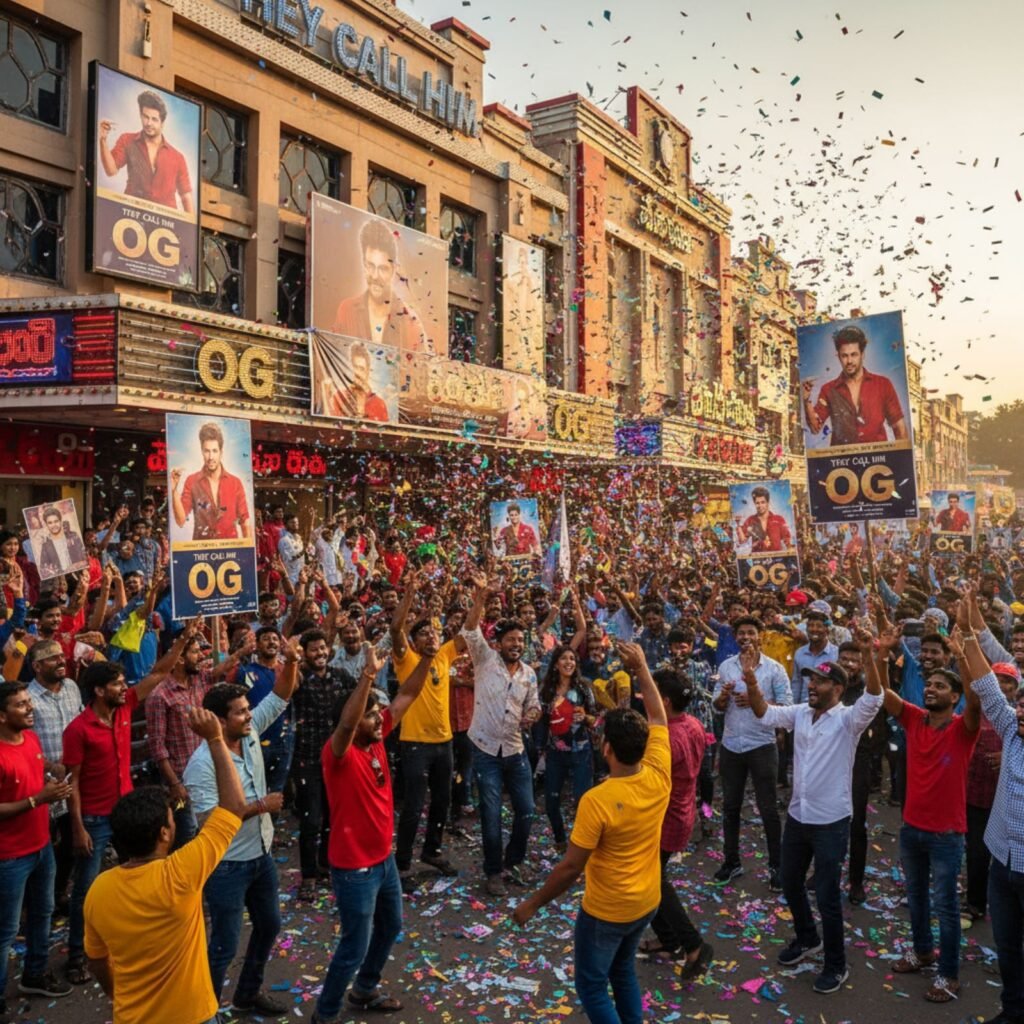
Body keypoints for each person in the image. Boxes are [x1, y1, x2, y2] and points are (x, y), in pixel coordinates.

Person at [512, 642, 670, 1024]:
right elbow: (658, 716)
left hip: (607, 911)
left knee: (592, 986)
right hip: (647, 901)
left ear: (606, 747)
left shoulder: (598, 801)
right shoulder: (658, 772)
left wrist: (533, 903)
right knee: (623, 971)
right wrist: (641, 668)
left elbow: (571, 868)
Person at [83, 706, 245, 1024]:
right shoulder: (182, 872)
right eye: (172, 819)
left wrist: (116, 995)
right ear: (164, 834)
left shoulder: (98, 890)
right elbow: (234, 807)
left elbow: (97, 961)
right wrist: (216, 739)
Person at [744, 633, 883, 995]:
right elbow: (764, 713)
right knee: (790, 882)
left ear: (837, 688)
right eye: (810, 679)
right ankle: (808, 937)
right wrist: (751, 681)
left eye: (819, 681)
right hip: (798, 817)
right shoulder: (801, 714)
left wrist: (868, 655)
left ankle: (836, 965)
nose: (811, 686)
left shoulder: (848, 720)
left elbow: (874, 697)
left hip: (831, 822)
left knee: (826, 896)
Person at [313, 645, 435, 1022]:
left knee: (390, 926)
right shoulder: (338, 753)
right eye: (370, 715)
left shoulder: (377, 738)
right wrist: (367, 676)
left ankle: (364, 989)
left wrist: (428, 658)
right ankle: (325, 1014)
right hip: (355, 869)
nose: (378, 719)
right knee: (354, 945)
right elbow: (347, 726)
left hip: (384, 862)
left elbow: (408, 693)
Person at [64, 635, 194, 983]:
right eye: (118, 684)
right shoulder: (78, 730)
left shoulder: (124, 709)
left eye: (125, 683)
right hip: (93, 819)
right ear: (99, 691)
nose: (125, 689)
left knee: (138, 879)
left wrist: (182, 641)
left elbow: (159, 673)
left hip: (126, 813)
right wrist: (78, 827)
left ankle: (135, 940)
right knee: (86, 889)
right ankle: (78, 955)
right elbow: (73, 782)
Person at [182, 635, 300, 1015]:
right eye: (240, 712)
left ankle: (247, 994)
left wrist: (291, 661)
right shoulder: (201, 765)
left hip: (260, 854)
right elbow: (209, 822)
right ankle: (205, 1013)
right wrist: (260, 806)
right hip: (227, 865)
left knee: (269, 926)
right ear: (219, 721)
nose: (250, 716)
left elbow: (279, 697)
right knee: (224, 947)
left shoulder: (248, 736)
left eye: (249, 709)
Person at [876, 612, 980, 1002]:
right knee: (917, 898)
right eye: (929, 684)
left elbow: (976, 700)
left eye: (940, 686)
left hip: (946, 835)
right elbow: (883, 695)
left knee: (946, 906)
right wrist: (882, 654)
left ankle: (948, 974)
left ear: (954, 697)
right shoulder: (915, 719)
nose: (931, 688)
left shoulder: (963, 729)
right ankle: (922, 952)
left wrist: (961, 656)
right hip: (911, 829)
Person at [957, 590, 1024, 1024]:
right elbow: (986, 684)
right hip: (1002, 860)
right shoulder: (1011, 731)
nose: (1019, 711)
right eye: (1020, 706)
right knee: (1008, 947)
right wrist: (967, 633)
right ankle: (1012, 1010)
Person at [461, 570, 541, 897]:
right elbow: (469, 630)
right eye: (511, 640)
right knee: (491, 814)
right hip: (485, 751)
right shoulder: (485, 660)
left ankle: (513, 861)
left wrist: (533, 715)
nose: (516, 645)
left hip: (515, 750)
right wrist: (482, 594)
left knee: (527, 810)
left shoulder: (529, 674)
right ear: (499, 643)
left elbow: (534, 705)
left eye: (520, 641)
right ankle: (493, 871)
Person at [0, 681, 74, 1014]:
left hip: (42, 846)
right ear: (2, 716)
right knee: (6, 930)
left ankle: (35, 973)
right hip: (9, 856)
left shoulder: (30, 738)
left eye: (29, 701)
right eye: (20, 704)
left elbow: (31, 778)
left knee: (43, 913)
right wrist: (37, 799)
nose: (30, 708)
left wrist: (50, 784)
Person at [637, 666, 714, 977]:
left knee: (654, 881)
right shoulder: (692, 723)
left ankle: (693, 944)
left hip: (665, 818)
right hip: (681, 812)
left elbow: (648, 783)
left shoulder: (666, 738)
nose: (644, 697)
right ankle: (669, 940)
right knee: (650, 878)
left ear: (664, 701)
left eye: (651, 692)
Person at [389, 571, 464, 891]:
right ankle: (403, 862)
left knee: (442, 802)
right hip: (415, 744)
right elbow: (396, 629)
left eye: (434, 632)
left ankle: (431, 850)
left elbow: (469, 632)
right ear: (414, 641)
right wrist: (410, 592)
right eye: (423, 634)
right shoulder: (406, 659)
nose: (431, 636)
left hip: (444, 742)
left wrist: (480, 596)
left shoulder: (444, 654)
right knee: (413, 806)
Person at [712, 616, 792, 889]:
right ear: (735, 637)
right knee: (730, 806)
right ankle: (731, 861)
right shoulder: (726, 667)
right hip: (732, 744)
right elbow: (716, 705)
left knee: (768, 808)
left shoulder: (774, 669)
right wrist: (723, 699)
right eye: (741, 633)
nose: (746, 638)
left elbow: (786, 707)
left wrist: (757, 700)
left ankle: (777, 866)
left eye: (751, 633)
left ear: (760, 636)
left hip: (762, 745)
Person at [293, 628, 356, 899]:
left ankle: (325, 864)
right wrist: (293, 661)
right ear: (305, 654)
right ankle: (308, 876)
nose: (319, 653)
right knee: (311, 820)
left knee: (334, 816)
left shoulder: (341, 676)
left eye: (322, 648)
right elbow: (286, 687)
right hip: (307, 758)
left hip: (337, 759)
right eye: (314, 649)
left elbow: (361, 699)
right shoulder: (299, 679)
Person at [25, 639, 81, 922]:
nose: (61, 661)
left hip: (73, 783)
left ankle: (58, 894)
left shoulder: (71, 687)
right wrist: (48, 766)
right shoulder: (27, 699)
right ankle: (35, 904)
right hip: (41, 786)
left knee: (70, 843)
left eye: (61, 656)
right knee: (42, 847)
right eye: (53, 658)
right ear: (37, 666)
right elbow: (20, 743)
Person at [331, 217, 429, 352]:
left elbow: (423, 365)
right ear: (363, 263)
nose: (375, 276)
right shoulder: (346, 310)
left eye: (383, 269)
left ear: (394, 269)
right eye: (370, 266)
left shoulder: (411, 323)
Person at [802, 324, 908, 445]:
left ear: (862, 354)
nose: (849, 361)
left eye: (854, 354)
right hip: (842, 456)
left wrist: (901, 456)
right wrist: (806, 400)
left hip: (877, 455)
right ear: (838, 356)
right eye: (844, 356)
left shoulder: (883, 384)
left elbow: (900, 429)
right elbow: (815, 428)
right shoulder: (828, 389)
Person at [539, 645, 597, 853]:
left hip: (581, 752)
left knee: (583, 801)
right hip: (555, 754)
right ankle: (560, 842)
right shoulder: (546, 691)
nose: (569, 662)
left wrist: (586, 717)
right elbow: (541, 721)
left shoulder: (584, 688)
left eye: (572, 658)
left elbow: (596, 719)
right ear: (556, 664)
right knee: (551, 802)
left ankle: (582, 844)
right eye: (564, 658)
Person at [98, 89, 195, 212]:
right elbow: (111, 170)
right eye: (145, 117)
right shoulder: (127, 140)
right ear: (140, 115)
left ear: (162, 123)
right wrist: (103, 140)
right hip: (131, 213)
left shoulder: (177, 157)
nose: (149, 123)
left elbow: (186, 196)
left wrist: (188, 223)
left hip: (166, 220)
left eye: (154, 119)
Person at [170, 421, 252, 541]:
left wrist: (247, 550)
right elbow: (180, 521)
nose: (211, 457)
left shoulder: (235, 483)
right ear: (202, 451)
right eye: (207, 451)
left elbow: (245, 521)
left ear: (221, 452)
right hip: (202, 549)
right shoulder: (192, 481)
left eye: (214, 451)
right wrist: (174, 491)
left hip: (230, 549)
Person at [324, 340, 391, 422]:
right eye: (355, 367)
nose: (357, 373)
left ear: (367, 373)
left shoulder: (379, 404)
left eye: (361, 369)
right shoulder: (338, 397)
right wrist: (325, 394)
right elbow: (329, 424)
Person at [735, 486, 792, 553]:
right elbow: (742, 541)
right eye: (757, 503)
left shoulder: (779, 520)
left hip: (777, 558)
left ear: (768, 502)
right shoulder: (751, 520)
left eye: (763, 502)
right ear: (754, 503)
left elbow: (788, 542)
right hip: (757, 558)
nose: (760, 506)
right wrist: (738, 524)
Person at [36, 505, 87, 577]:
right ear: (46, 525)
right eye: (50, 523)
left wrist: (77, 566)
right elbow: (44, 569)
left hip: (78, 575)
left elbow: (84, 557)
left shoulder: (73, 536)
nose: (53, 525)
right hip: (60, 579)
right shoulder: (45, 545)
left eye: (56, 521)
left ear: (60, 521)